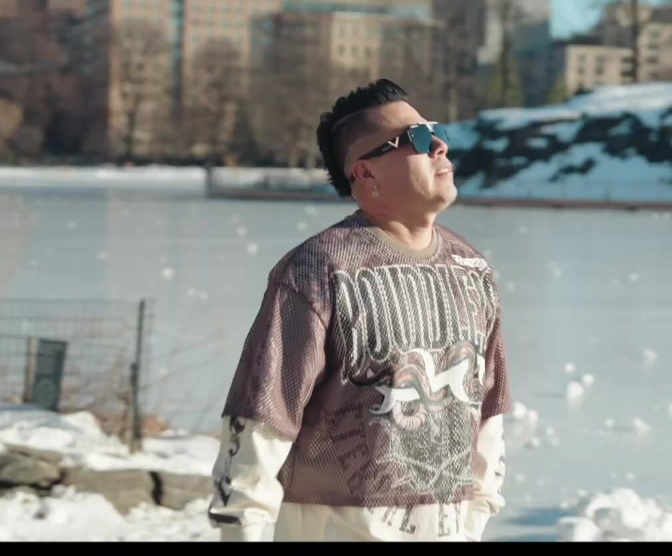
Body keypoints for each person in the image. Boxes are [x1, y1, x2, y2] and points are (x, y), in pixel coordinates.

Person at [207, 79, 512, 542]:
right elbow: (262, 417)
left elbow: (488, 410)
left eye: (436, 131)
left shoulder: (471, 268)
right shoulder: (317, 271)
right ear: (366, 173)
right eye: (416, 138)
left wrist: (474, 524)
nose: (439, 146)